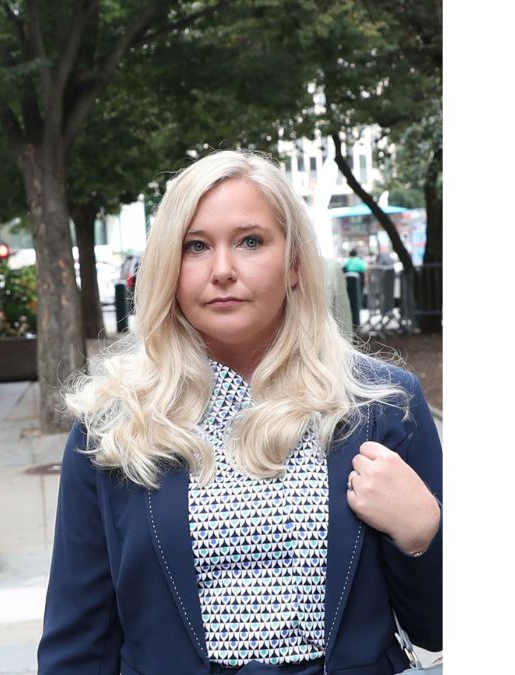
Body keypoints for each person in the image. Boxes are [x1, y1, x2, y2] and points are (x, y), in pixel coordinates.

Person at [38, 151, 442, 675]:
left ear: (295, 263)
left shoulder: (381, 405)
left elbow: (438, 627)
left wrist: (423, 535)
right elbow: (79, 639)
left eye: (251, 242)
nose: (223, 270)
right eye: (196, 246)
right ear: (168, 268)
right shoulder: (115, 425)